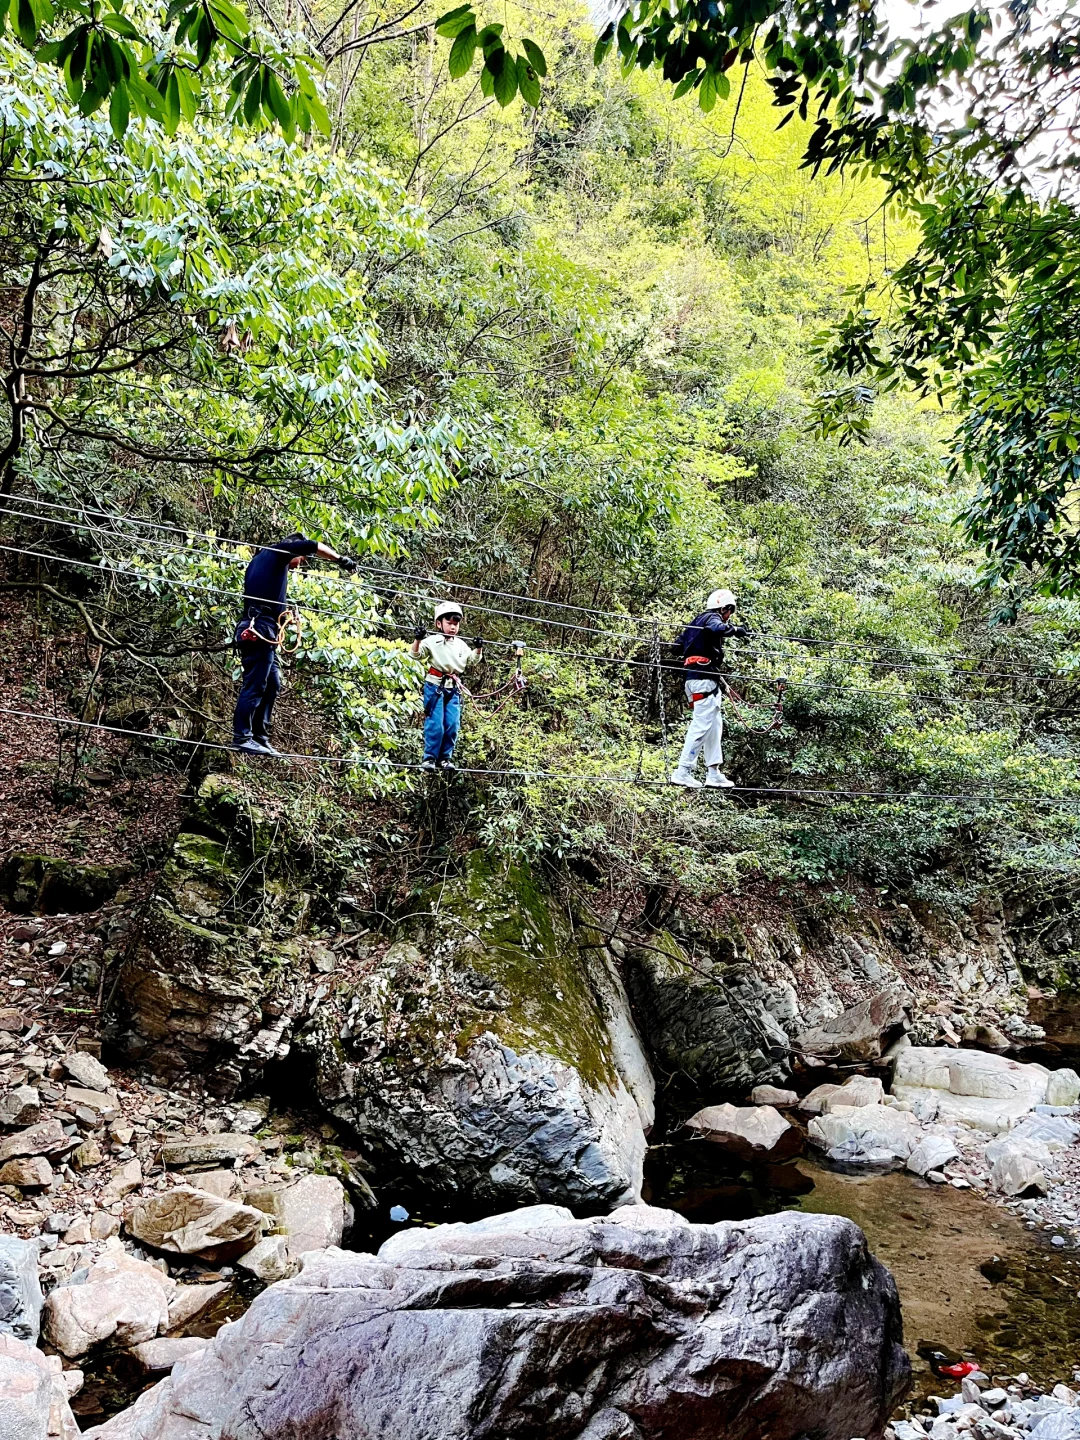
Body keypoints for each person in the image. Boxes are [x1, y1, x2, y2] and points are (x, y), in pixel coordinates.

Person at [232, 532, 356, 756]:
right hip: (258, 627)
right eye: (302, 559)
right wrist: (340, 560)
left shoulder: (263, 561)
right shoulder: (279, 552)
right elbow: (313, 545)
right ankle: (242, 737)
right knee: (255, 684)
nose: (300, 565)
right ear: (294, 548)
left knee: (273, 682)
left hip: (265, 628)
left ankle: (260, 735)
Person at [670, 587, 750, 790]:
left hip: (699, 678)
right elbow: (717, 628)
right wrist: (736, 631)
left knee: (714, 725)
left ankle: (713, 773)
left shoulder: (695, 624)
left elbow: (676, 647)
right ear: (725, 609)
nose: (729, 617)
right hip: (702, 678)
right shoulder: (711, 619)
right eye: (729, 612)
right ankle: (683, 771)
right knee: (702, 724)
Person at [411, 600, 483, 772]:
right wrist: (418, 639)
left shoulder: (460, 644)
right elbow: (415, 654)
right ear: (439, 623)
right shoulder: (432, 641)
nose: (453, 627)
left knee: (452, 725)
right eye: (449, 623)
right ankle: (429, 758)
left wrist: (479, 648)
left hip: (454, 688)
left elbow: (472, 660)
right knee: (436, 725)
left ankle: (445, 759)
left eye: (455, 624)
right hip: (435, 686)